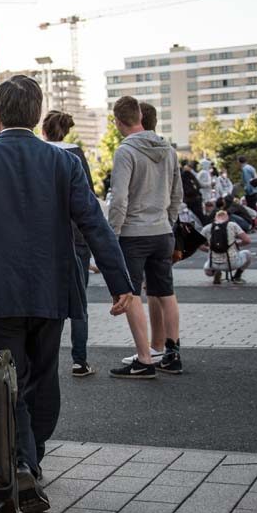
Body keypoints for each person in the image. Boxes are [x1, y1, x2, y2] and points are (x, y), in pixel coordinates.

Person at [0, 76, 132, 513]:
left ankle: (22, 461)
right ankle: (33, 456)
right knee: (44, 377)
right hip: (52, 289)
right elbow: (94, 224)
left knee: (7, 379)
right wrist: (121, 283)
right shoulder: (63, 162)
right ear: (37, 114)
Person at [107, 95, 184, 379]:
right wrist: (168, 221)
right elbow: (177, 193)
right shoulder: (168, 150)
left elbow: (119, 200)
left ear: (118, 122)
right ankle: (172, 355)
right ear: (140, 116)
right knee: (165, 292)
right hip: (162, 230)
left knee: (130, 295)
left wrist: (112, 234)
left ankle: (144, 358)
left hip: (133, 233)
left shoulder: (125, 151)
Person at [41, 110, 95, 377]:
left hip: (46, 238)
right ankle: (80, 360)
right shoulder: (76, 155)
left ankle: (45, 361)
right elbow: (88, 201)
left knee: (48, 299)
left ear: (44, 131)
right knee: (79, 300)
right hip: (77, 237)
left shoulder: (40, 154)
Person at [200, 208, 252, 284]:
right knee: (248, 254)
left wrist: (210, 249)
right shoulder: (233, 225)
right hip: (232, 264)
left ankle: (216, 272)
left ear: (214, 218)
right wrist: (236, 244)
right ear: (227, 217)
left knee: (208, 267)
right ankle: (237, 276)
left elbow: (199, 245)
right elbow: (247, 241)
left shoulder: (207, 228)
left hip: (212, 265)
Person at [180, 159, 206, 226]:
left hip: (195, 199)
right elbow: (186, 189)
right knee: (193, 217)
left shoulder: (191, 175)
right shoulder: (183, 176)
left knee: (199, 216)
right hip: (190, 200)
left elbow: (197, 185)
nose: (189, 168)